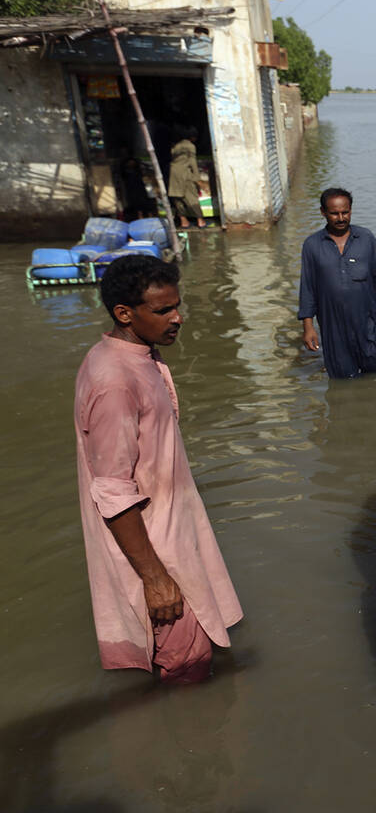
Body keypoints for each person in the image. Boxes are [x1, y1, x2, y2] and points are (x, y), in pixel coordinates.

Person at [74, 256, 243, 682]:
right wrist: (155, 579)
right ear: (125, 313)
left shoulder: (136, 355)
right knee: (188, 676)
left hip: (174, 538)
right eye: (163, 310)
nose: (177, 318)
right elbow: (111, 490)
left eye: (177, 306)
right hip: (158, 557)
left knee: (194, 669)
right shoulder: (114, 381)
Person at [298, 187, 376, 378]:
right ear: (323, 213)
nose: (341, 218)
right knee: (342, 379)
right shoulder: (312, 245)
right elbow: (307, 289)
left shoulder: (366, 239)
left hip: (369, 323)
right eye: (334, 213)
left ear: (351, 210)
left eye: (345, 212)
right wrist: (308, 328)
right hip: (333, 326)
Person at [167, 128, 205, 229]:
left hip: (173, 174)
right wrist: (197, 178)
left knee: (177, 198)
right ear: (192, 137)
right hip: (185, 174)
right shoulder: (190, 146)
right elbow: (193, 162)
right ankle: (200, 221)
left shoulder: (176, 146)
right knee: (191, 197)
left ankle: (184, 222)